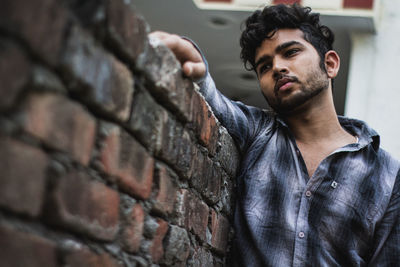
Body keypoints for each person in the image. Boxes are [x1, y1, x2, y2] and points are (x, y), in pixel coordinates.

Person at [150, 4, 400, 266]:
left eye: (291, 52)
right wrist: (196, 64)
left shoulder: (386, 175)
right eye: (264, 67)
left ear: (330, 64)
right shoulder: (257, 133)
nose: (278, 67)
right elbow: (211, 98)